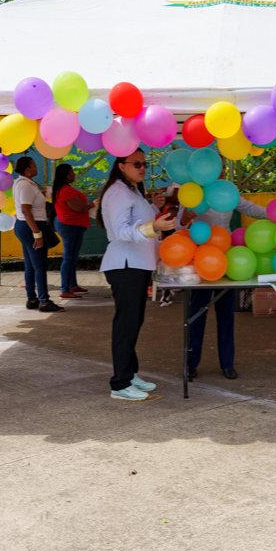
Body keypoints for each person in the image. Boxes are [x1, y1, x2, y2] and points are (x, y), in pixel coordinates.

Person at [98, 149, 175, 400]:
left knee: (133, 322)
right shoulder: (119, 191)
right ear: (121, 165)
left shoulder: (131, 190)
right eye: (136, 164)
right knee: (126, 325)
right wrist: (154, 226)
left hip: (137, 264)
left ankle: (129, 374)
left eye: (144, 163)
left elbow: (134, 222)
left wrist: (154, 208)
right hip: (125, 265)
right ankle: (119, 384)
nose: (142, 168)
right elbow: (121, 231)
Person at [178, 176, 268, 380]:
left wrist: (273, 214)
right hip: (203, 258)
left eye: (222, 168)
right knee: (197, 312)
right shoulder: (193, 191)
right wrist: (186, 217)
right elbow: (179, 226)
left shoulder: (229, 190)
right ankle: (191, 363)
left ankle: (227, 363)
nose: (219, 172)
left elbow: (250, 208)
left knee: (226, 313)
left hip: (227, 256)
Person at [12, 157, 62, 312]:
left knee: (31, 266)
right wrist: (37, 234)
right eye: (34, 166)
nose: (37, 168)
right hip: (30, 228)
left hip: (26, 227)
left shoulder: (24, 183)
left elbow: (29, 204)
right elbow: (26, 210)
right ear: (27, 169)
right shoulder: (25, 185)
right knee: (39, 266)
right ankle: (44, 302)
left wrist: (40, 194)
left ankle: (32, 299)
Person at [52, 163, 96, 300]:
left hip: (72, 224)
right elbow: (80, 208)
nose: (74, 175)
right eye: (71, 173)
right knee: (69, 258)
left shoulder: (64, 189)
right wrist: (92, 204)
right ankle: (65, 289)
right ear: (65, 175)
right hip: (70, 225)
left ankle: (72, 284)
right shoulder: (65, 191)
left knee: (72, 257)